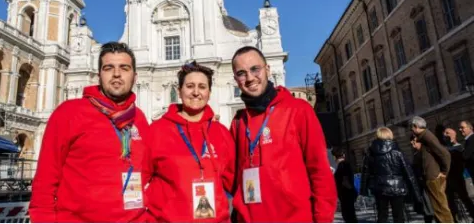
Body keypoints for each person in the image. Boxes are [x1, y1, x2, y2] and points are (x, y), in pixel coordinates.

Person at [30, 42, 150, 222]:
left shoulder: (139, 118)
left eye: (124, 68)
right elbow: (45, 179)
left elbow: (148, 171)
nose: (117, 74)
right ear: (99, 75)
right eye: (109, 68)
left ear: (135, 76)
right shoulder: (69, 112)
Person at [228, 46, 336, 222]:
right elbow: (229, 176)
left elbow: (320, 171)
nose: (249, 78)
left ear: (267, 69)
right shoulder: (238, 122)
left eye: (255, 69)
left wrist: (323, 219)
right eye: (241, 73)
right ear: (235, 79)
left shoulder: (299, 110)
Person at [144, 61, 235, 222]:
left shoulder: (221, 132)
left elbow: (233, 182)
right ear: (179, 91)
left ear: (209, 92)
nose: (195, 92)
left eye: (202, 86)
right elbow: (139, 179)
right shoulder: (156, 131)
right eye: (190, 86)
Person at [360, 127, 421, 223]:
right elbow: (409, 173)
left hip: (379, 187)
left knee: (382, 216)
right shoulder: (398, 152)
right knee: (399, 216)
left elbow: (365, 172)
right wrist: (417, 194)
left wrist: (363, 191)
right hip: (397, 187)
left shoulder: (370, 153)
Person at [411, 116, 453, 223]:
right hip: (431, 176)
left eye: (412, 127)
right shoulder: (424, 137)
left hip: (434, 177)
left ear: (416, 126)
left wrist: (444, 172)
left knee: (441, 209)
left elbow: (445, 154)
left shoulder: (427, 137)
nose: (411, 130)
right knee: (438, 209)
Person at [443, 127, 474, 222]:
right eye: (444, 133)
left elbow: (462, 164)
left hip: (458, 178)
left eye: (447, 133)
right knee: (451, 203)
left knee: (466, 200)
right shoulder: (444, 148)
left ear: (453, 135)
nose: (445, 135)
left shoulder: (459, 147)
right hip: (448, 180)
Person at [410, 135, 435, 223]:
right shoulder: (416, 153)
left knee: (433, 209)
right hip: (422, 185)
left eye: (414, 140)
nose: (412, 142)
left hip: (430, 183)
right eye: (411, 141)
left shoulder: (427, 151)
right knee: (427, 210)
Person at [331, 147, 358, 223]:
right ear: (343, 155)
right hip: (346, 193)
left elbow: (343, 181)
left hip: (344, 193)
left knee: (347, 215)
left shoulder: (339, 165)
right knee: (350, 215)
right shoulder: (345, 164)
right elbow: (345, 180)